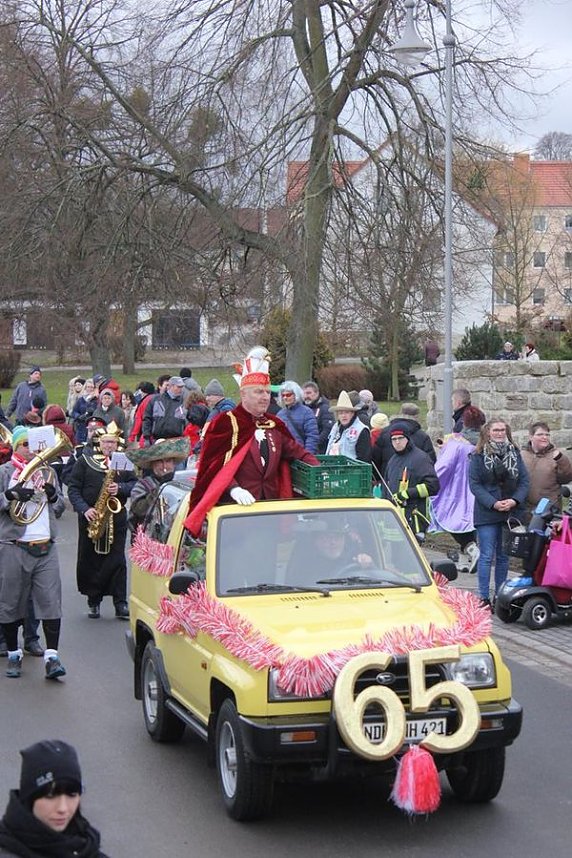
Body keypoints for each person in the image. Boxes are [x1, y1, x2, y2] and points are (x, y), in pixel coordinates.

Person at [185, 348, 319, 537]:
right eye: (258, 392)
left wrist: (320, 470)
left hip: (269, 515)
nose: (265, 397)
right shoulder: (226, 423)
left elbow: (299, 452)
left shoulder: (275, 424)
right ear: (244, 394)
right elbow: (213, 466)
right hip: (235, 516)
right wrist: (234, 489)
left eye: (266, 392)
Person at [0, 426, 67, 680]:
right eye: (24, 444)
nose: (30, 449)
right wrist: (9, 496)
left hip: (45, 546)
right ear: (15, 448)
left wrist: (52, 496)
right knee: (10, 603)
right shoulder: (5, 472)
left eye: (33, 444)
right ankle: (14, 654)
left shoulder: (48, 473)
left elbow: (60, 506)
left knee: (51, 602)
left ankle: (52, 657)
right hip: (13, 546)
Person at [67, 422, 136, 619]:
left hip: (117, 518)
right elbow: (73, 488)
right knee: (91, 560)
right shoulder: (85, 461)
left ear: (117, 444)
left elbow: (134, 484)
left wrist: (120, 488)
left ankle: (120, 603)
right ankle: (93, 600)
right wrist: (84, 509)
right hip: (92, 517)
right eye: (106, 442)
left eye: (112, 443)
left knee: (117, 561)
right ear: (99, 442)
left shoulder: (123, 461)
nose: (109, 446)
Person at [0, 739, 110, 857]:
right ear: (29, 798)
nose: (62, 808)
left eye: (71, 794)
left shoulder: (86, 847)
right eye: (50, 796)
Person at [468, 418, 530, 609]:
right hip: (487, 512)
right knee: (487, 555)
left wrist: (514, 500)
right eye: (496, 430)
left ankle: (501, 595)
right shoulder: (477, 455)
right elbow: (475, 485)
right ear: (488, 432)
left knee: (504, 557)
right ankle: (484, 597)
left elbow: (524, 481)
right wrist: (493, 503)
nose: (500, 433)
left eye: (503, 430)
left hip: (510, 513)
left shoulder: (515, 453)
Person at [429, 405, 486, 573]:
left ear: (464, 423)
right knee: (468, 523)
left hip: (456, 489)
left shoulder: (457, 443)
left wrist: (432, 480)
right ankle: (464, 560)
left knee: (447, 517)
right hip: (479, 489)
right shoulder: (485, 443)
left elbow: (444, 466)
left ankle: (471, 549)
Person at [385, 423, 440, 541]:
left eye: (400, 438)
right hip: (394, 522)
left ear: (408, 439)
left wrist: (407, 494)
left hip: (413, 521)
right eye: (394, 439)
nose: (397, 442)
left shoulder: (420, 458)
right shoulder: (392, 460)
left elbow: (433, 486)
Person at [127, 437, 191, 535]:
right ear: (152, 464)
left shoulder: (181, 484)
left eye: (168, 461)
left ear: (174, 464)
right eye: (160, 462)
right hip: (148, 539)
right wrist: (160, 487)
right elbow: (139, 511)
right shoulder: (143, 485)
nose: (164, 466)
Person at [372, 403, 434, 479]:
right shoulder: (422, 436)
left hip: (388, 480)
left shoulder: (384, 433)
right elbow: (430, 461)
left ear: (400, 413)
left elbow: (376, 458)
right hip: (414, 482)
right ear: (417, 417)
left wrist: (377, 478)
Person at [520, 421, 572, 511]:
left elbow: (566, 479)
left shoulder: (556, 456)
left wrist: (561, 460)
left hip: (548, 509)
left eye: (547, 435)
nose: (544, 437)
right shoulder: (522, 455)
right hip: (523, 508)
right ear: (531, 437)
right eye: (540, 434)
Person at [325, 390, 371, 463]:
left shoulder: (362, 430)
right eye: (341, 413)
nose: (344, 416)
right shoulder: (335, 427)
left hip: (351, 472)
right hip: (332, 470)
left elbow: (364, 458)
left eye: (347, 412)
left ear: (353, 413)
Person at [141, 376, 187, 444]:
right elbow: (147, 419)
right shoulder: (156, 400)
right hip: (157, 440)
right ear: (171, 386)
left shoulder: (184, 402)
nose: (181, 389)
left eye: (181, 387)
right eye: (178, 387)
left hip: (177, 441)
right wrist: (146, 437)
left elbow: (187, 422)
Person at [277, 381, 319, 453]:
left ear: (296, 394)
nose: (285, 398)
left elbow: (312, 437)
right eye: (283, 395)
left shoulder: (307, 413)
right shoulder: (280, 414)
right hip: (285, 456)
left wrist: (307, 456)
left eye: (288, 395)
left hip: (301, 456)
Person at [302, 381, 334, 453]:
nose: (306, 396)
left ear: (317, 393)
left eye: (309, 393)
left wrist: (314, 443)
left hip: (319, 450)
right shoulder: (302, 408)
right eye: (304, 393)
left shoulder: (325, 408)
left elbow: (327, 430)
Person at [128, 381, 156, 447]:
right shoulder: (159, 399)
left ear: (143, 392)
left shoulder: (144, 402)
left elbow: (138, 420)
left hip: (146, 435)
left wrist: (131, 438)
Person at [71, 379, 98, 444]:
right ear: (85, 388)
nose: (90, 389)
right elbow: (74, 412)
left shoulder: (96, 400)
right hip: (81, 427)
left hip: (92, 427)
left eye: (92, 387)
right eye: (88, 387)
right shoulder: (81, 400)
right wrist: (79, 416)